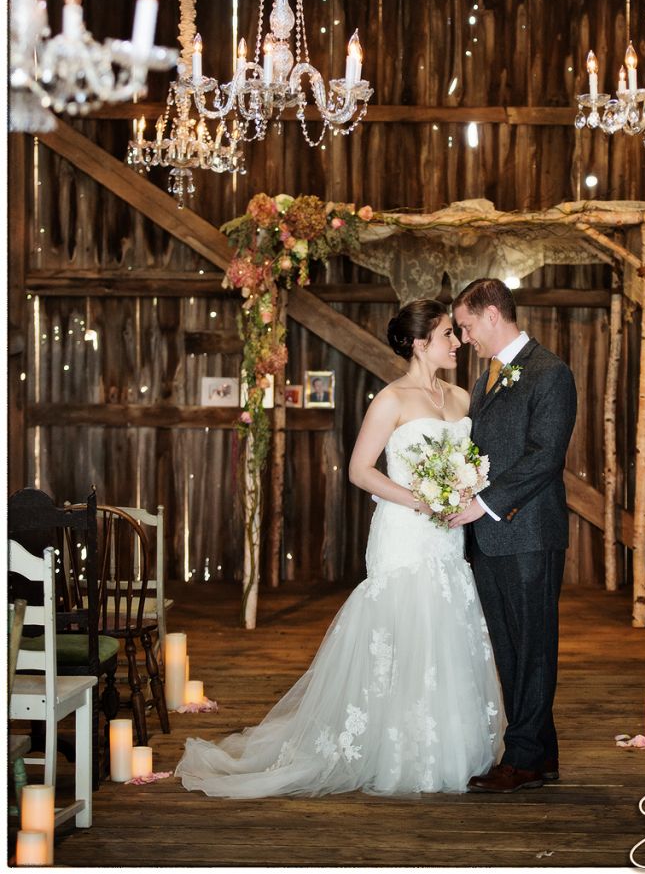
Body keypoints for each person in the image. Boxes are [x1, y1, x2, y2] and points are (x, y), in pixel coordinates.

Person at [176, 299, 501, 798]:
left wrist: (462, 490)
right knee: (402, 632)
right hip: (405, 532)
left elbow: (472, 461)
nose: (456, 342)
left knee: (444, 629)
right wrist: (422, 499)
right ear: (419, 343)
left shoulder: (461, 398)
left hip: (447, 535)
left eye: (456, 335)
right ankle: (392, 749)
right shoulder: (391, 399)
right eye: (445, 335)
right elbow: (360, 470)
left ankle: (443, 747)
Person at [449, 277, 577, 794]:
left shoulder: (551, 373)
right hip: (491, 539)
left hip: (529, 531)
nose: (464, 337)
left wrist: (481, 503)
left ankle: (522, 756)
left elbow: (546, 456)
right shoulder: (485, 380)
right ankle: (541, 754)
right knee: (510, 647)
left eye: (466, 325)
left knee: (534, 646)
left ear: (492, 315)